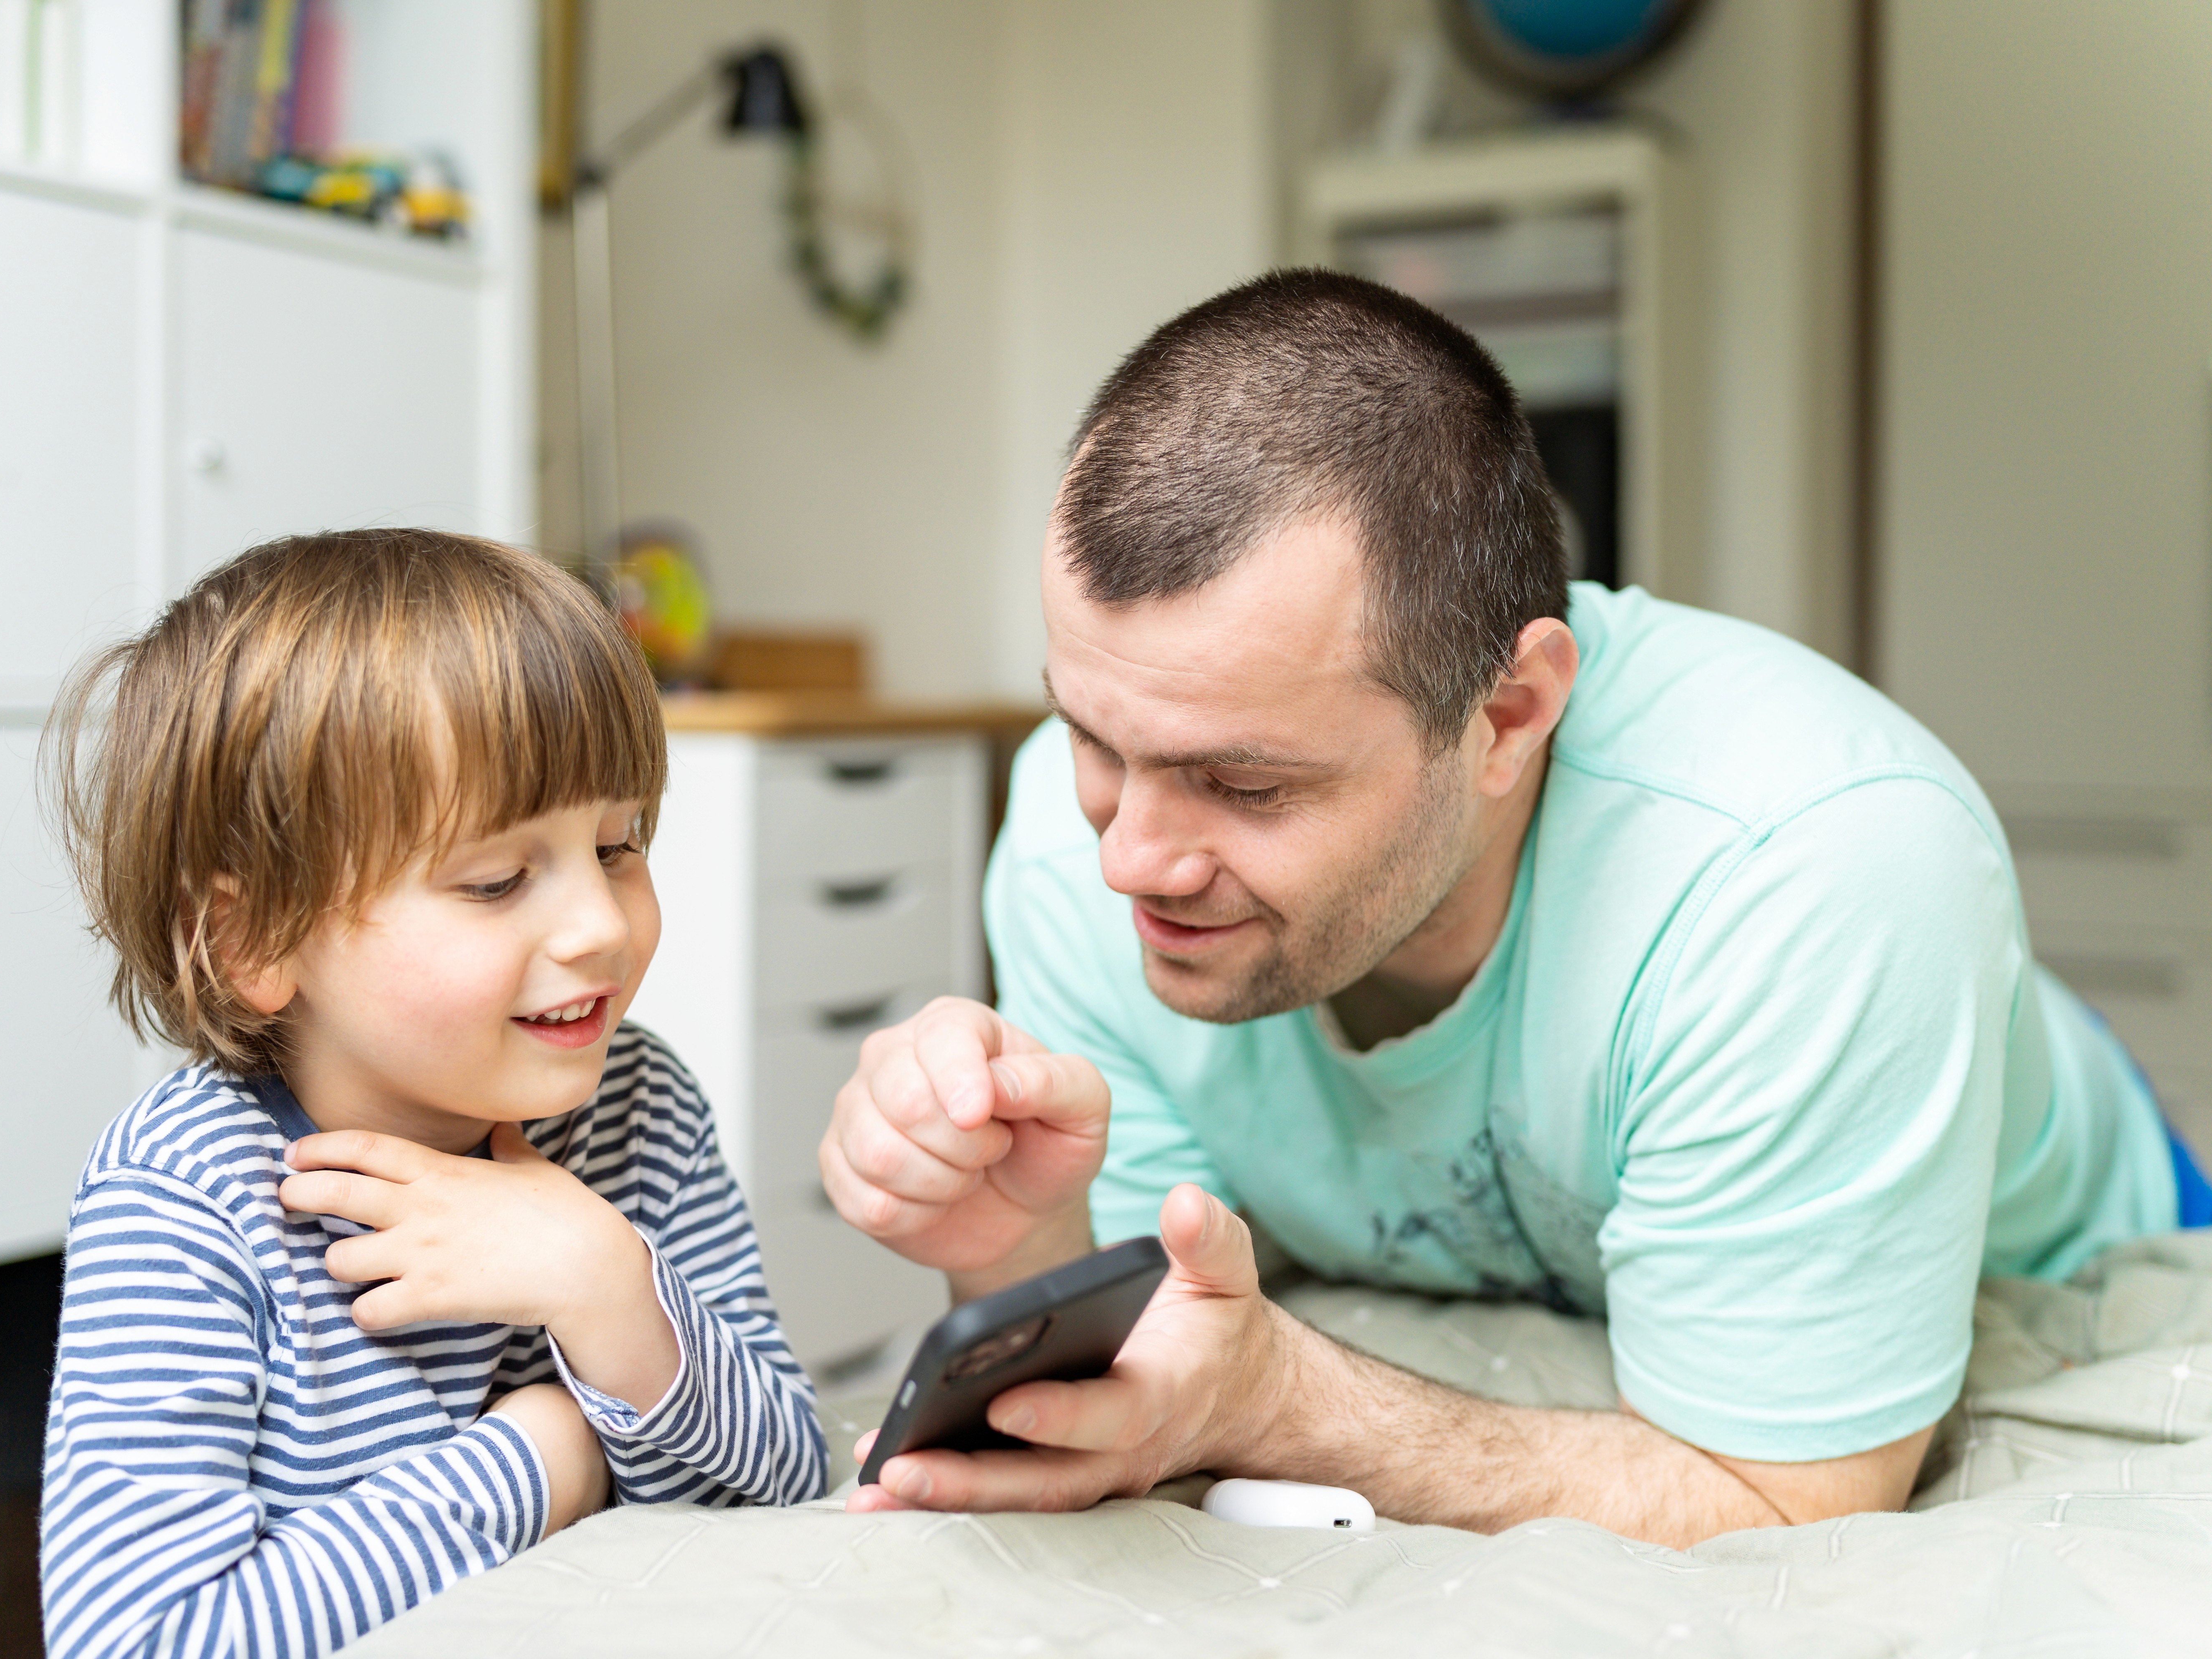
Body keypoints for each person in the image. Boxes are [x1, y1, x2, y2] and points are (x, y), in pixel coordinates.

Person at [822, 270, 2205, 1549]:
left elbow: (1788, 1500)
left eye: (1242, 783)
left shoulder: (1814, 871)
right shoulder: (1077, 855)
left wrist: (1282, 1401)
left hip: (2058, 1230)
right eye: (1097, 740)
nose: (1133, 855)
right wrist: (1014, 1247)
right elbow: (1139, 1348)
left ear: (1509, 715)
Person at [38, 530, 824, 1659]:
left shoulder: (639, 1107)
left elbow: (786, 1476)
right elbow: (142, 1641)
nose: (601, 926)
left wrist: (607, 1290)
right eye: (497, 880)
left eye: (619, 846)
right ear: (252, 934)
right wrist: (542, 1455)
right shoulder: (185, 1199)